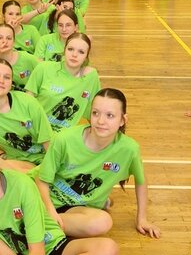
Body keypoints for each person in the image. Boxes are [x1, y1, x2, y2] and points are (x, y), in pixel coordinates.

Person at [31, 88, 161, 239]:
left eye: (110, 115)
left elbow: (141, 180)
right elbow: (41, 180)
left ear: (122, 120)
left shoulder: (129, 149)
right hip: (41, 197)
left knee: (103, 222)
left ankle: (35, 223)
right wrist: (50, 211)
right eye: (95, 113)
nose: (100, 121)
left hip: (76, 209)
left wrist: (142, 219)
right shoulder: (64, 139)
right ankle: (38, 221)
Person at [26, 32, 101, 132]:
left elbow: (95, 109)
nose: (74, 55)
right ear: (64, 50)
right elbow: (28, 100)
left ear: (86, 56)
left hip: (65, 136)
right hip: (37, 129)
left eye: (81, 52)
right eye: (70, 49)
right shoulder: (44, 68)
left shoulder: (91, 76)